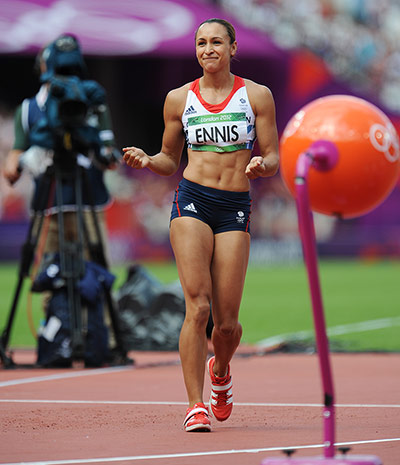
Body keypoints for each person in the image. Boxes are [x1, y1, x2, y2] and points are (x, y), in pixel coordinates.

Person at [123, 18, 280, 431]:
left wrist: (263, 165)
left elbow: (274, 154)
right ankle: (195, 405)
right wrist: (147, 160)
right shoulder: (178, 99)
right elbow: (169, 160)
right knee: (198, 307)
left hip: (235, 205)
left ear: (232, 47)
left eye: (216, 42)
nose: (208, 49)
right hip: (192, 199)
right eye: (201, 43)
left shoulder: (256, 95)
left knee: (227, 323)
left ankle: (221, 372)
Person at [3, 34, 121, 366]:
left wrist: (104, 149)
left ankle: (102, 340)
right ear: (43, 66)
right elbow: (14, 160)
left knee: (96, 271)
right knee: (50, 274)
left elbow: (109, 153)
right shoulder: (29, 109)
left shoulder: (90, 99)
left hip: (88, 199)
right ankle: (57, 339)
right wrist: (21, 161)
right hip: (50, 201)